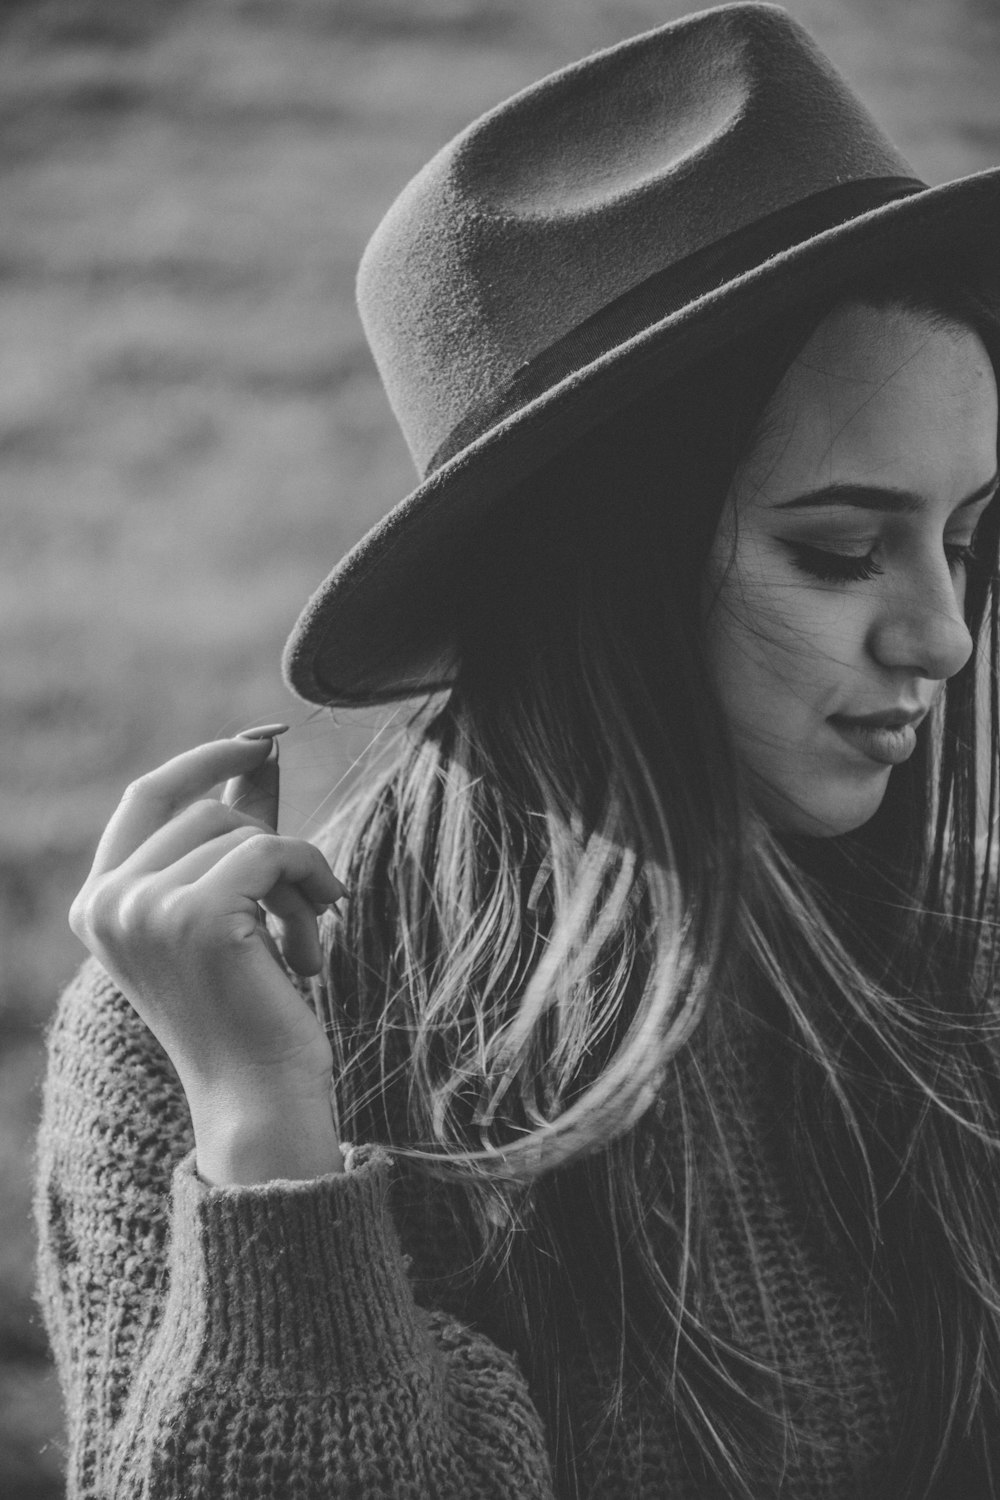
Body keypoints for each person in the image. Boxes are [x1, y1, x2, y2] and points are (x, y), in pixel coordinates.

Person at [33, 5, 1000, 1497]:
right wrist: (271, 1149)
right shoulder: (207, 1050)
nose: (944, 637)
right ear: (603, 570)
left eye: (962, 540)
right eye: (840, 551)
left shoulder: (959, 967)